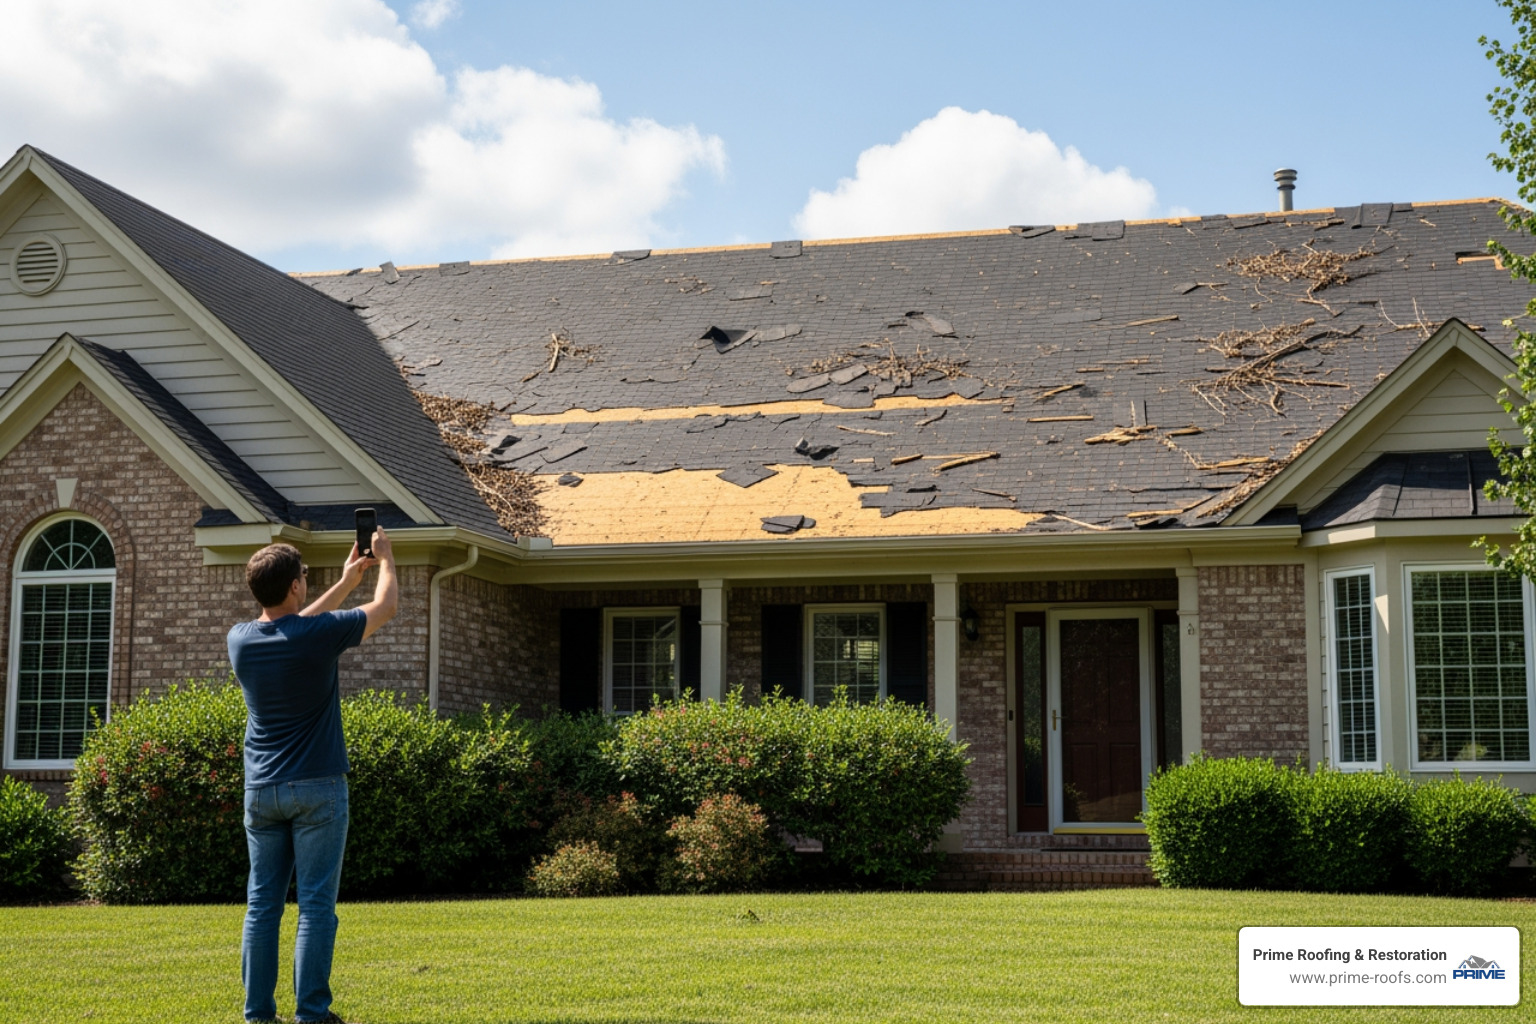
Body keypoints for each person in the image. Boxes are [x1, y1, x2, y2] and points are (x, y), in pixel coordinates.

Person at [228, 529, 397, 1024]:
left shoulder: (240, 640)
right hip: (318, 786)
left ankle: (258, 1015)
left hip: (261, 790)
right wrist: (385, 560)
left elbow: (290, 625)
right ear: (296, 587)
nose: (307, 582)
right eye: (305, 576)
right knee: (316, 905)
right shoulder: (317, 637)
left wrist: (345, 581)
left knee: (262, 905)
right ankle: (312, 1014)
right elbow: (385, 607)